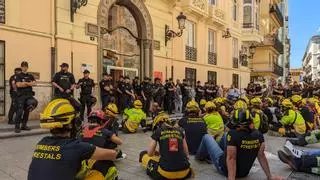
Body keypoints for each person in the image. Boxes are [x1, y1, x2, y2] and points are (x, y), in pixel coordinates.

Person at [28, 99, 117, 180]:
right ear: (71, 124)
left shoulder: (41, 143)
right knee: (107, 166)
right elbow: (113, 154)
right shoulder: (76, 146)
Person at [195, 108, 283, 180]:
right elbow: (261, 156)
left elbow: (231, 158)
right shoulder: (258, 134)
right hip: (244, 172)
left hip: (223, 168)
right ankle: (216, 150)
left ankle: (199, 156)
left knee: (207, 137)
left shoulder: (233, 134)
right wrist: (270, 176)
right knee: (225, 135)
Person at [139, 113, 193, 180]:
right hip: (185, 172)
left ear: (157, 124)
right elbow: (187, 154)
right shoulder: (179, 131)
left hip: (166, 174)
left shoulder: (158, 131)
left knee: (143, 154)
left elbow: (150, 153)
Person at [78, 110, 123, 180]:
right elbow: (119, 142)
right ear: (101, 121)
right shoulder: (104, 131)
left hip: (81, 162)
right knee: (115, 149)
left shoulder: (81, 130)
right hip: (97, 159)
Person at [14, 61, 38, 133]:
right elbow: (18, 85)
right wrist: (29, 83)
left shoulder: (30, 75)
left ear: (27, 67)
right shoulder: (18, 75)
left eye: (26, 66)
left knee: (30, 107)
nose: (24, 68)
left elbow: (35, 83)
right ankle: (17, 127)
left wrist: (25, 83)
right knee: (20, 111)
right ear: (21, 67)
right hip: (21, 96)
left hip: (29, 96)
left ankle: (24, 125)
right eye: (23, 66)